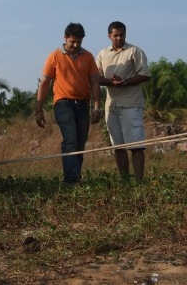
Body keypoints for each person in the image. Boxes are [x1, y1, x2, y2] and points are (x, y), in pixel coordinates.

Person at [35, 22, 102, 184]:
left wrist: (97, 107)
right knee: (70, 139)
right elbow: (45, 83)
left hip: (83, 104)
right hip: (63, 104)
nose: (76, 45)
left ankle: (75, 176)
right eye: (73, 42)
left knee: (80, 141)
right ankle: (70, 179)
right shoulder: (55, 56)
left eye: (79, 42)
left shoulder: (88, 57)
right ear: (65, 38)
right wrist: (39, 109)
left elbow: (94, 82)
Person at [96, 21, 150, 181]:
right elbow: (96, 78)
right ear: (109, 36)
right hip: (111, 106)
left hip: (131, 105)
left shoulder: (134, 51)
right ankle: (125, 181)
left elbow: (145, 74)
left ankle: (139, 182)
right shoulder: (102, 54)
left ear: (125, 34)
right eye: (115, 35)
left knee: (136, 146)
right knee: (118, 146)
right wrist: (111, 82)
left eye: (121, 35)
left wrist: (125, 81)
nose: (118, 38)